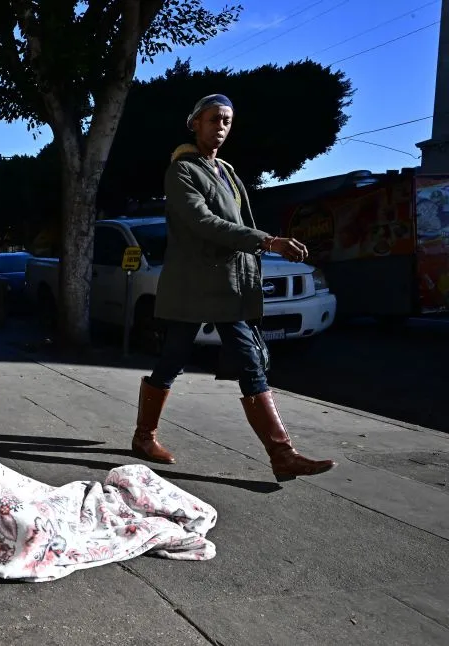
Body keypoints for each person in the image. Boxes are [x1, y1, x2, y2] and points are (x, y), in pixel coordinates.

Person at [131, 94, 335, 481]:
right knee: (176, 359)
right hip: (194, 283)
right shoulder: (182, 171)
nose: (221, 127)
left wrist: (258, 252)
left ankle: (281, 454)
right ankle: (146, 437)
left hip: (228, 284)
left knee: (245, 359)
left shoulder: (225, 169)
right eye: (213, 120)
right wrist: (268, 240)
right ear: (195, 123)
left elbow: (234, 222)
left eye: (226, 120)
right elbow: (202, 222)